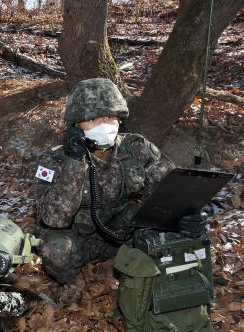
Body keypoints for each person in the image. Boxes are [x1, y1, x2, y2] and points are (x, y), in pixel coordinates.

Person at [34, 78, 204, 303]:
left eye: (110, 116)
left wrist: (184, 215)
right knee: (54, 249)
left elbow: (170, 189)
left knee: (175, 228)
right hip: (79, 239)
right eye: (93, 119)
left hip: (124, 232)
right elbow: (55, 218)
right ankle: (73, 282)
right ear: (76, 126)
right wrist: (75, 162)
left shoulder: (136, 148)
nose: (104, 124)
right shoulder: (54, 160)